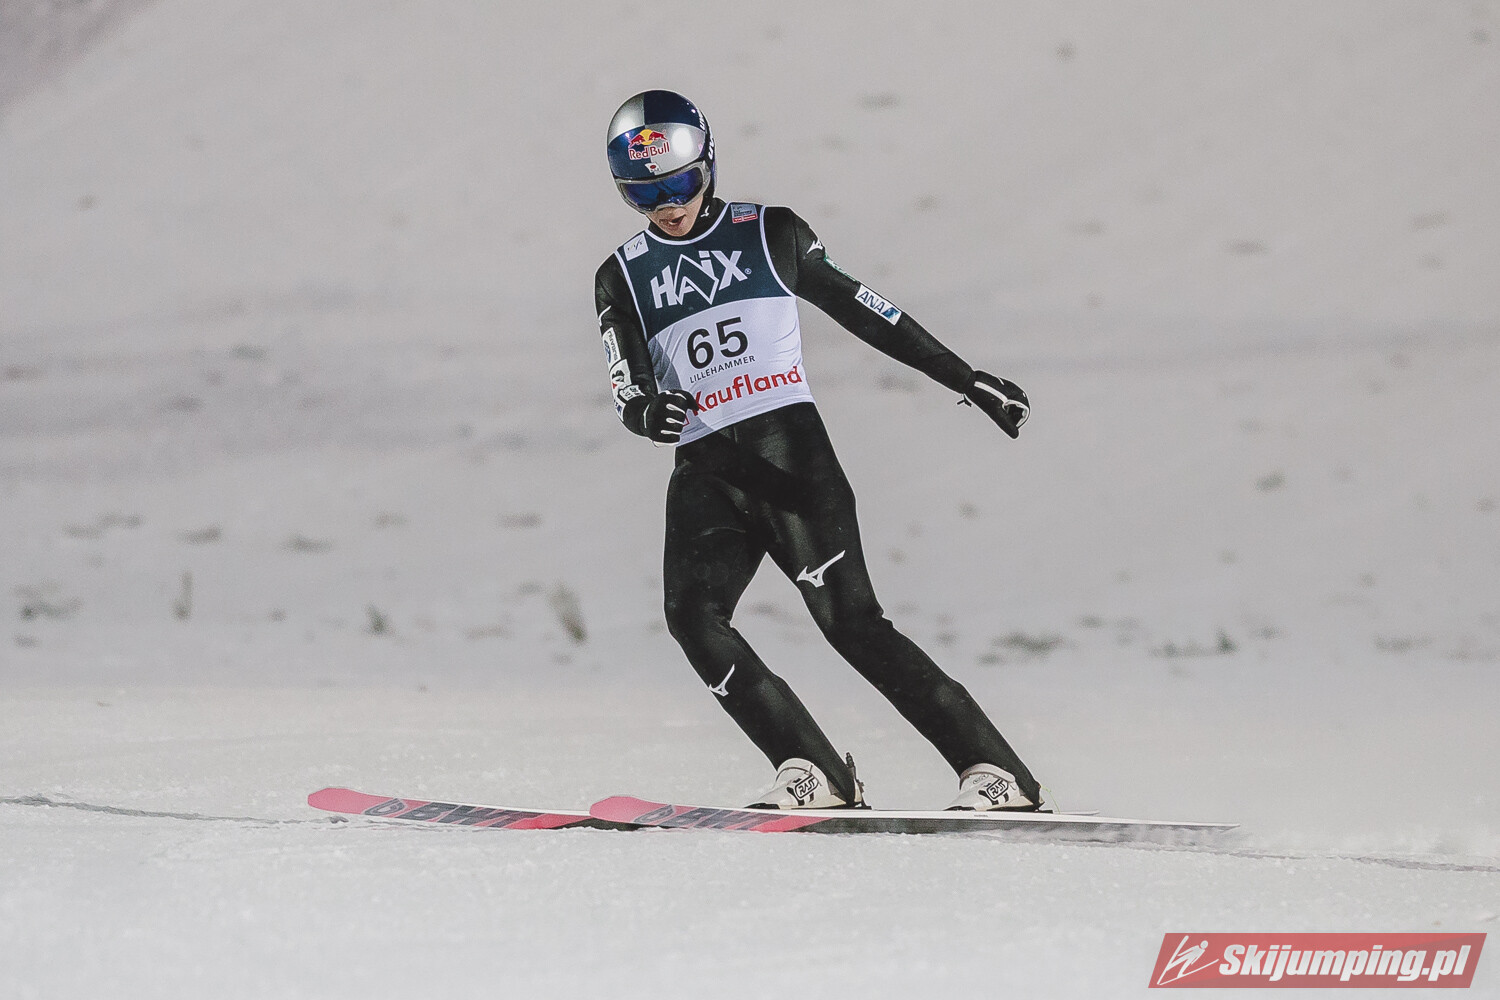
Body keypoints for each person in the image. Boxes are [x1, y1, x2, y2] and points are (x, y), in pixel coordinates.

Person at [593, 90, 1043, 811]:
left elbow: (870, 313)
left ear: (708, 165)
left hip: (787, 456)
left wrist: (967, 380)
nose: (668, 206)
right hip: (707, 468)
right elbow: (628, 385)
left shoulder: (770, 232)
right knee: (693, 620)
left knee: (851, 625)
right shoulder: (621, 273)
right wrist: (648, 412)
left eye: (679, 183)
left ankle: (997, 773)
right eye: (643, 194)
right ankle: (812, 770)